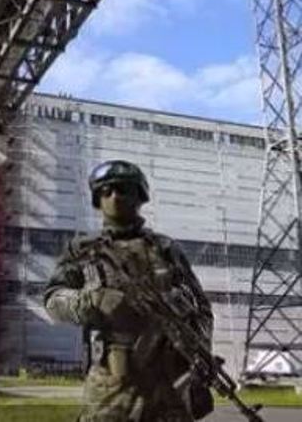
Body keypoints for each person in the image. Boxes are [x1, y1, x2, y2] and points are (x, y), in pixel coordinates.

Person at [44, 160, 214, 422]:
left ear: (140, 196)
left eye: (124, 189)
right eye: (106, 191)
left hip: (170, 386)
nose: (115, 197)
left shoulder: (165, 249)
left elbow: (201, 308)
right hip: (112, 388)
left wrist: (200, 352)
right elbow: (53, 300)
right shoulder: (83, 250)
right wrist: (91, 300)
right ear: (97, 200)